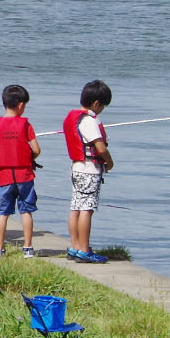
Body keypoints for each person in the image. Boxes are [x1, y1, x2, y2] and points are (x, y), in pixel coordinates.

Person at [63, 80, 114, 264]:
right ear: (96, 103)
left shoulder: (76, 117)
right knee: (87, 209)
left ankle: (75, 246)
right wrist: (110, 162)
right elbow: (100, 148)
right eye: (103, 105)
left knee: (76, 207)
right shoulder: (90, 121)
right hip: (89, 170)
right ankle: (84, 250)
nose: (102, 109)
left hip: (76, 167)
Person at [0, 84, 40, 258]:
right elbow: (37, 149)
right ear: (20, 105)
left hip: (4, 176)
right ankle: (27, 248)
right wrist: (29, 156)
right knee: (26, 210)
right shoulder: (25, 125)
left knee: (3, 212)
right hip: (24, 175)